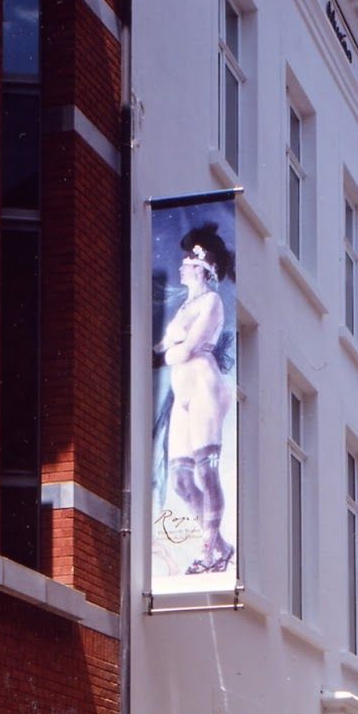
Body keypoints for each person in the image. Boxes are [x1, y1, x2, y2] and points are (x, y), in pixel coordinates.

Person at [154, 222, 235, 575]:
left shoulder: (212, 302)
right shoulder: (184, 307)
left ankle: (206, 550)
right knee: (181, 480)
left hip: (203, 384)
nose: (182, 265)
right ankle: (221, 545)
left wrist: (171, 350)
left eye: (188, 261)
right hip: (181, 390)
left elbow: (183, 350)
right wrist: (166, 349)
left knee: (206, 471)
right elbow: (161, 349)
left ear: (202, 266)